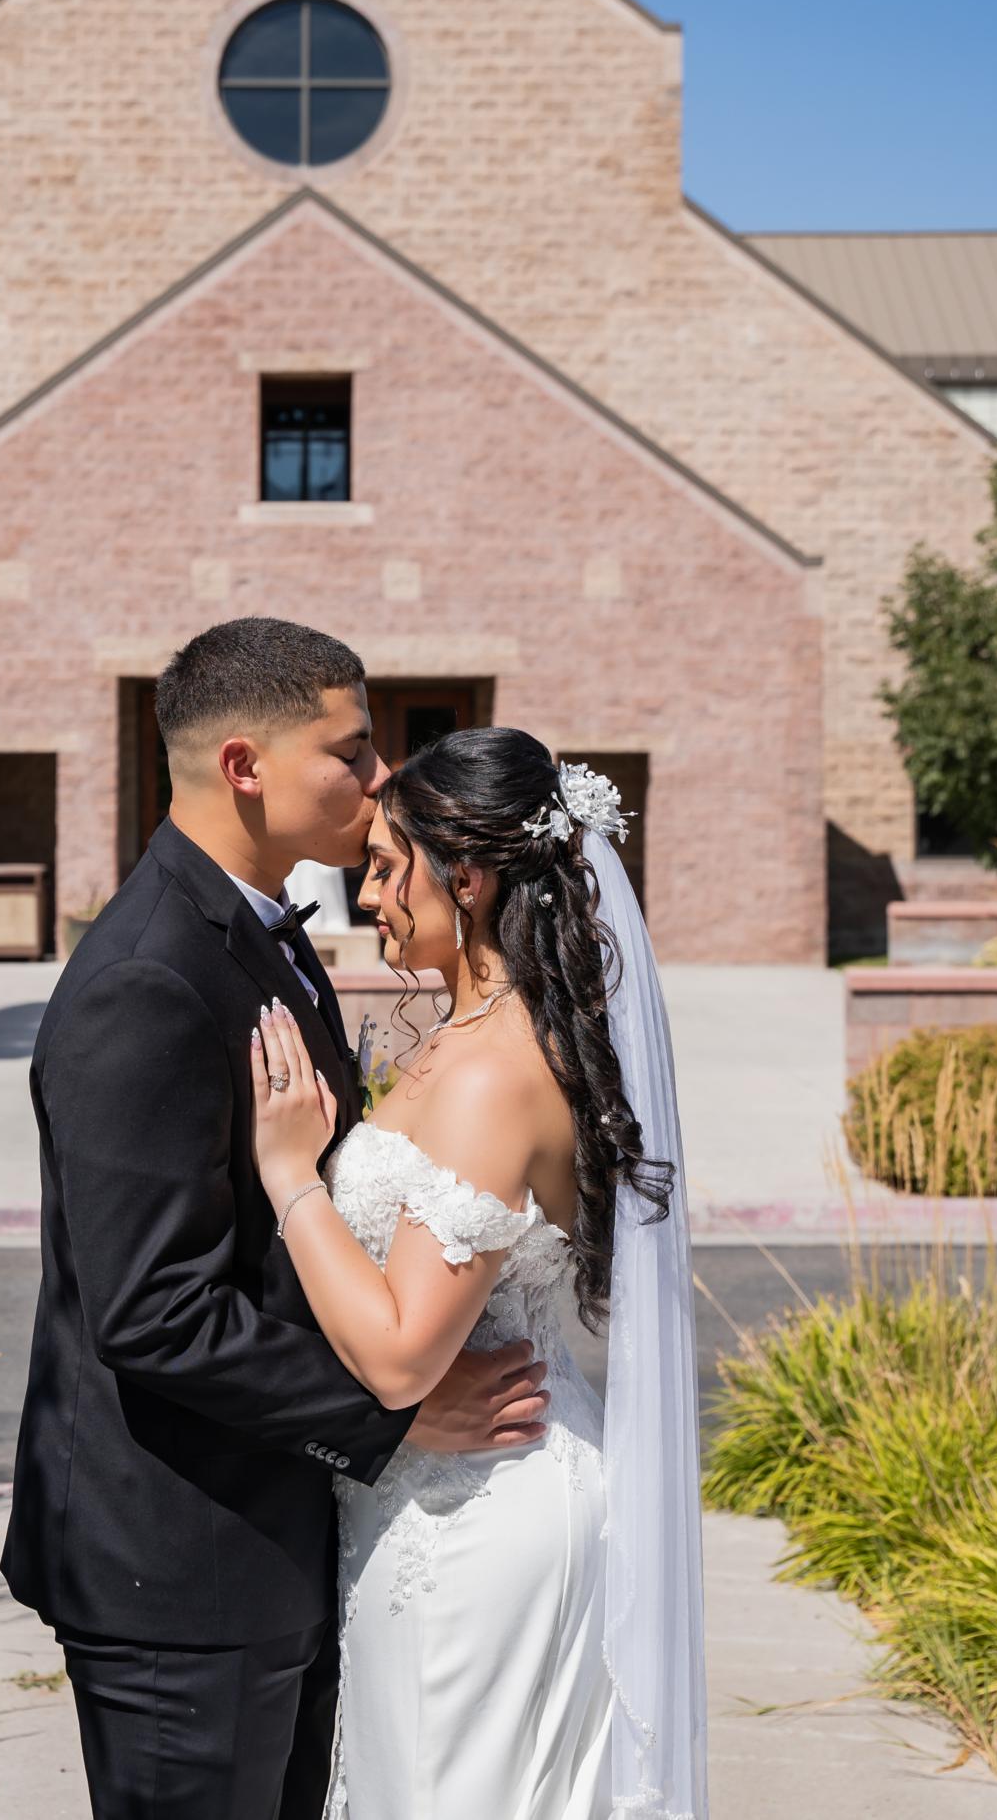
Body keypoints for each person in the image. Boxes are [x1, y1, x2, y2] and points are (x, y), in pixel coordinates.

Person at [0, 620, 553, 1820]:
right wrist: (391, 1414)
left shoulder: (258, 934)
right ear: (243, 765)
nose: (378, 776)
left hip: (279, 1539)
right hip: (181, 1571)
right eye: (349, 751)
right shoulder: (147, 978)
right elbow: (152, 1309)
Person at [248, 726, 709, 1819]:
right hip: (440, 1494)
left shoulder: (489, 1077)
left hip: (480, 1513)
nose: (368, 897)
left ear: (467, 877)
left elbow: (402, 1356)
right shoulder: (480, 1035)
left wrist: (290, 1177)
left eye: (385, 868)